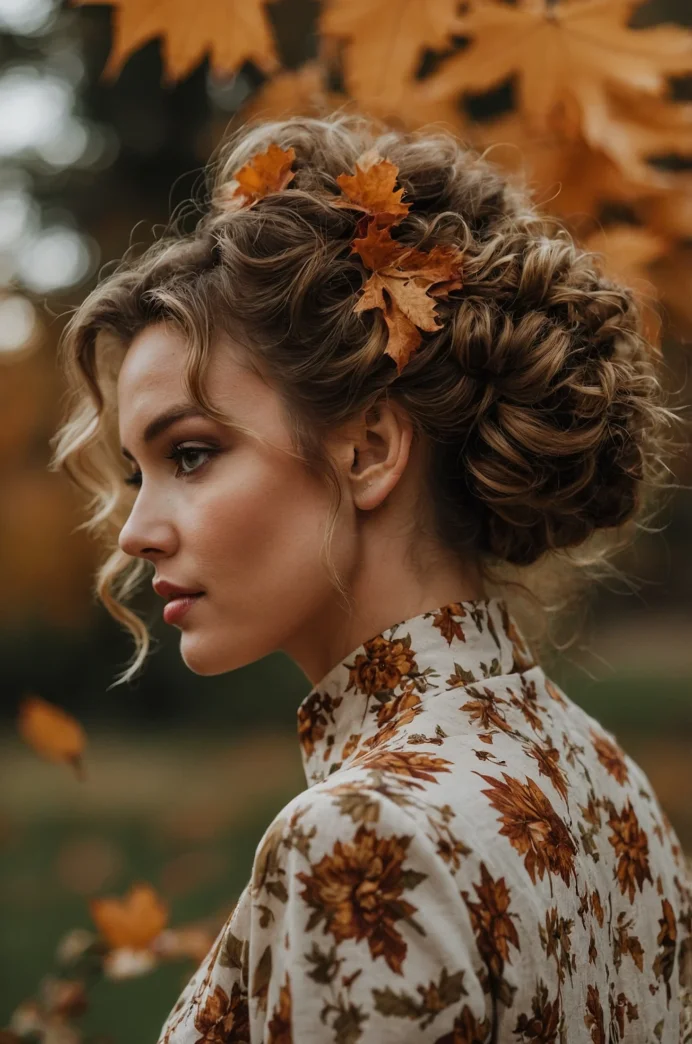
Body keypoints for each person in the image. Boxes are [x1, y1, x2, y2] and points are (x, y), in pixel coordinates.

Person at [51, 112, 691, 1043]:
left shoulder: (362, 836)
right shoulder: (606, 781)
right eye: (135, 473)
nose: (138, 531)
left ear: (368, 449)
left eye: (190, 455)